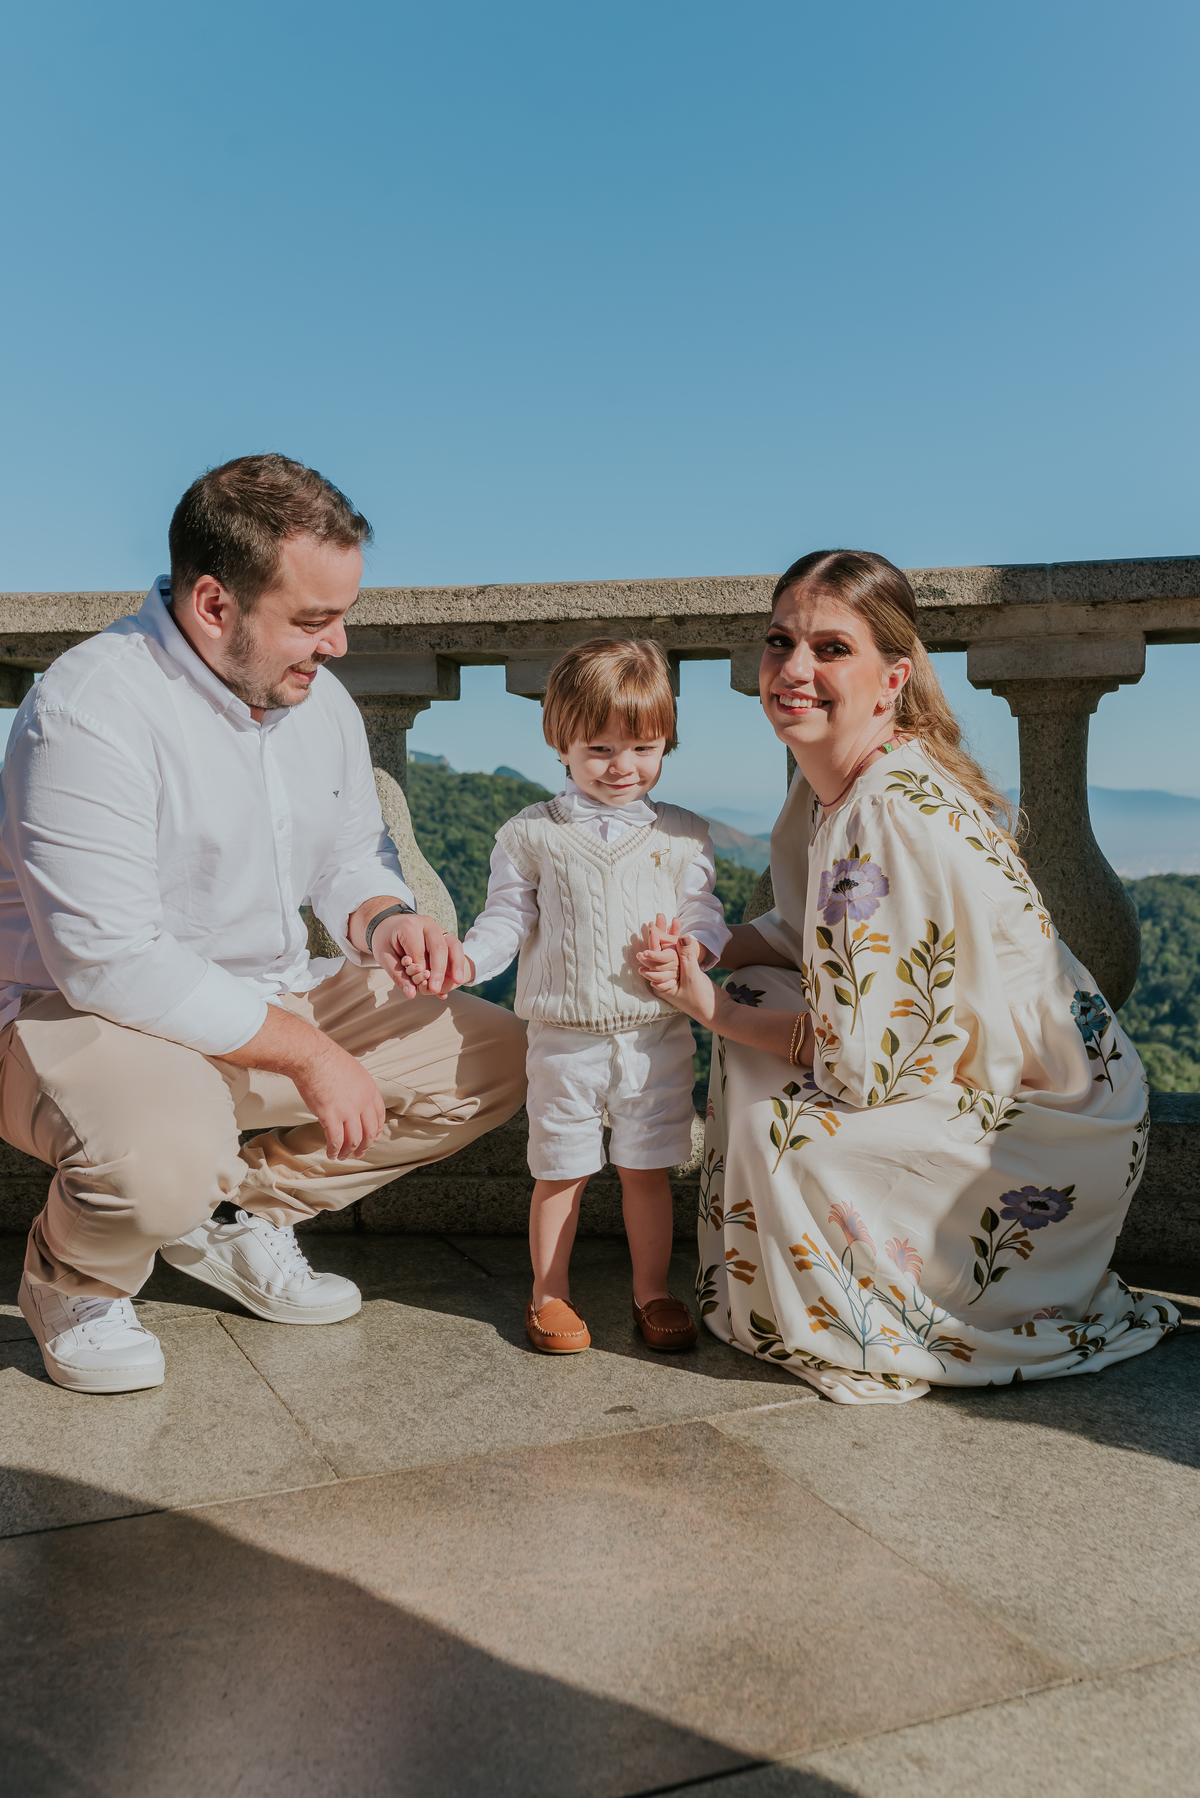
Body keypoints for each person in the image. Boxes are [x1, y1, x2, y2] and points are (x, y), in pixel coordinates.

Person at [0, 453, 526, 1393]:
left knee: (504, 1057)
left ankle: (238, 1217)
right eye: (314, 620)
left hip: (267, 998)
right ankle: (73, 1279)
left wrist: (383, 919)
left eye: (343, 616)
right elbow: (108, 962)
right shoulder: (89, 710)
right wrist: (311, 1055)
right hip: (71, 1014)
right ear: (214, 604)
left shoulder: (314, 699)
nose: (340, 646)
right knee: (164, 1149)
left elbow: (342, 861)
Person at [638, 550, 1179, 1404]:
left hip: (1047, 1125)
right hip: (1025, 1077)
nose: (794, 670)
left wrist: (702, 1002)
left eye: (830, 649)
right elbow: (805, 938)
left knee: (772, 1109)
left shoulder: (882, 812)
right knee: (750, 1017)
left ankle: (875, 1309)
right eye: (780, 643)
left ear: (892, 679)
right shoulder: (839, 780)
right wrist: (707, 944)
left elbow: (865, 1067)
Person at [455, 638, 728, 1354]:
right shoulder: (530, 836)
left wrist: (693, 950)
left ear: (665, 742)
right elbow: (507, 920)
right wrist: (466, 960)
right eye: (600, 748)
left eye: (643, 748)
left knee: (648, 1169)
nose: (622, 767)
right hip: (563, 1038)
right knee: (561, 1170)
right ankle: (549, 1292)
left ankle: (653, 1291)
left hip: (655, 1036)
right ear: (562, 742)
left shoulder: (682, 835)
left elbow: (704, 912)